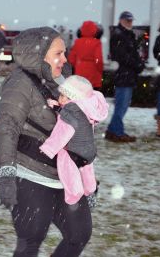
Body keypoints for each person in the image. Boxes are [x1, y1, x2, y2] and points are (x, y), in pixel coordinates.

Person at [0, 27, 92, 257]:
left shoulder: (62, 81)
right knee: (31, 239)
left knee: (79, 233)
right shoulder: (19, 84)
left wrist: (86, 176)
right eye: (58, 53)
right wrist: (6, 173)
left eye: (64, 52)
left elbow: (78, 130)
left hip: (63, 175)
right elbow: (7, 129)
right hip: (29, 174)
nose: (65, 59)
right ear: (39, 54)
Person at [39, 75, 109, 205]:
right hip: (89, 151)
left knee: (67, 169)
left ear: (73, 99)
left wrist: (48, 148)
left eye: (64, 96)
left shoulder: (70, 112)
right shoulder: (86, 108)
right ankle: (91, 190)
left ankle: (74, 195)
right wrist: (57, 107)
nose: (60, 98)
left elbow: (62, 133)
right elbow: (73, 117)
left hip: (73, 152)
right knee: (86, 170)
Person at [105, 11, 145, 142]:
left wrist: (138, 63)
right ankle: (116, 132)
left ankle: (113, 130)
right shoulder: (119, 35)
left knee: (122, 105)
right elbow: (122, 56)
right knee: (121, 105)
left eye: (131, 21)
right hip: (124, 75)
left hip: (127, 75)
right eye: (127, 20)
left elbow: (128, 55)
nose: (130, 23)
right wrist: (137, 65)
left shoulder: (126, 35)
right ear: (121, 20)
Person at [68, 21, 103, 90]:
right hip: (93, 73)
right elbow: (98, 60)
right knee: (92, 96)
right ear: (94, 30)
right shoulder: (96, 43)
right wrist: (100, 70)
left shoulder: (77, 42)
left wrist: (78, 66)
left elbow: (71, 59)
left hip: (80, 72)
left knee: (80, 96)